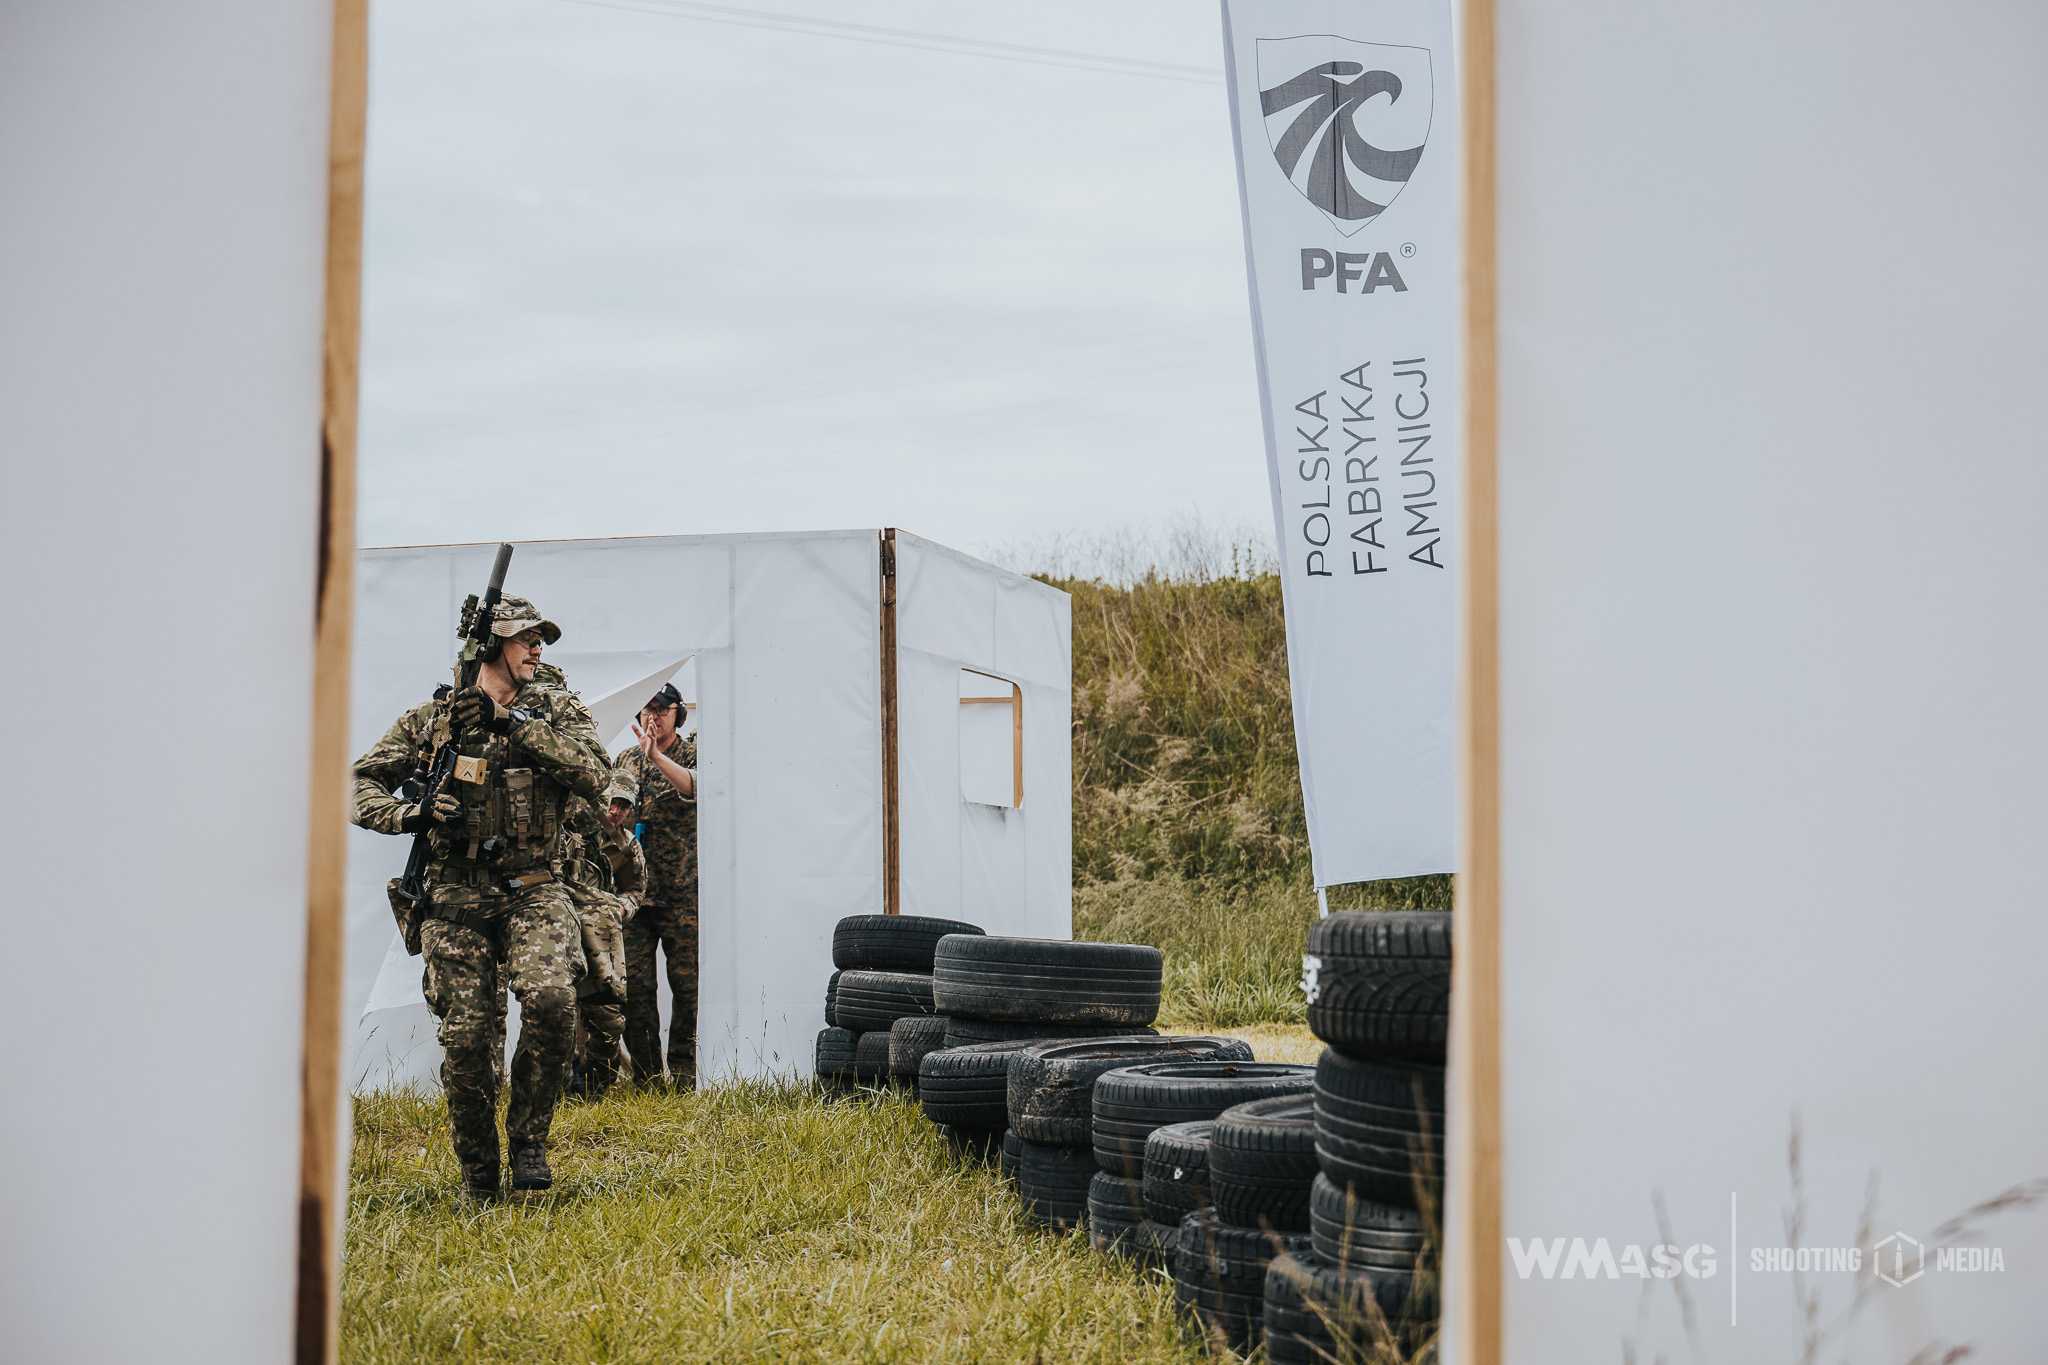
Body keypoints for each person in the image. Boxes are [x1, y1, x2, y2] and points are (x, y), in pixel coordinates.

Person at [351, 595, 609, 1201]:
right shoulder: (435, 719)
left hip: (534, 887)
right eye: (525, 638)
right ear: (491, 646)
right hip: (454, 892)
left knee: (551, 1002)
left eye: (541, 638)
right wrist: (409, 814)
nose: (537, 647)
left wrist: (512, 724)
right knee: (467, 1037)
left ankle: (529, 1143)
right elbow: (359, 782)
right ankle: (480, 1174)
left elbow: (596, 775)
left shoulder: (555, 711)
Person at [611, 681, 700, 1088]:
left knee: (688, 988)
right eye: (647, 708)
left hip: (684, 894)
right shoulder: (625, 760)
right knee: (635, 991)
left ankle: (684, 1074)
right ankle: (648, 1079)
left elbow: (695, 787)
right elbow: (608, 813)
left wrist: (657, 757)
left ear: (677, 713)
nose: (654, 715)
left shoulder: (694, 751)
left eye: (662, 708)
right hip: (635, 899)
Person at [562, 774, 644, 1098]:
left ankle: (597, 1092)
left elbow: (636, 889)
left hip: (601, 936)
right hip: (562, 932)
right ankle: (562, 1092)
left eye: (625, 806)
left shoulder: (626, 846)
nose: (617, 811)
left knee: (609, 1020)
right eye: (614, 802)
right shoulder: (567, 832)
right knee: (561, 1015)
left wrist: (622, 907)